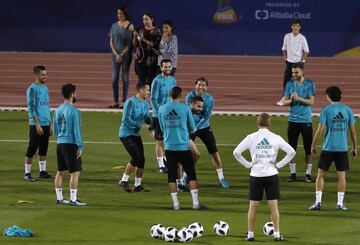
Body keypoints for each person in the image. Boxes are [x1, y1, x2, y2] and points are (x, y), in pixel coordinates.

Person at [233, 113, 295, 241]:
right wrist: (279, 165)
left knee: (253, 206)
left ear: (257, 123)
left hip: (255, 175)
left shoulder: (251, 137)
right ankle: (277, 234)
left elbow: (236, 152)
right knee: (273, 206)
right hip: (271, 175)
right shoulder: (276, 137)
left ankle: (250, 234)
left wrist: (248, 164)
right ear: (269, 123)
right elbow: (292, 152)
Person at [308, 86, 357, 211]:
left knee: (320, 174)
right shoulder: (347, 110)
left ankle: (318, 202)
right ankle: (340, 204)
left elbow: (320, 130)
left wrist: (313, 145)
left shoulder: (326, 110)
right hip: (342, 149)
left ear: (328, 96)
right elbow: (353, 131)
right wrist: (354, 147)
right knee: (341, 176)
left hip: (328, 148)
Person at [158, 87, 206, 210]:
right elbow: (193, 129)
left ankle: (176, 205)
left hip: (169, 147)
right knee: (191, 175)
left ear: (170, 95)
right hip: (183, 147)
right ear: (180, 96)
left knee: (172, 177)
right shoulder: (185, 108)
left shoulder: (162, 109)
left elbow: (162, 128)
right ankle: (195, 204)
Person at [185, 77, 229, 188]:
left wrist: (196, 127)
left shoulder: (210, 99)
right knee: (187, 153)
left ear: (206, 87)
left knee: (214, 152)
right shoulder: (189, 97)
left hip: (203, 127)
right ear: (195, 85)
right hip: (190, 127)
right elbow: (188, 113)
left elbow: (206, 117)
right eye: (199, 84)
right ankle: (186, 175)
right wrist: (192, 127)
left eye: (203, 85)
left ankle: (221, 178)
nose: (201, 87)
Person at [278, 63, 315, 183]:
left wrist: (298, 99)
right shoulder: (289, 84)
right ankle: (293, 173)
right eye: (293, 72)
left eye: (296, 72)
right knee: (291, 148)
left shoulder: (310, 84)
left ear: (302, 72)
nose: (294, 75)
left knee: (308, 149)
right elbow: (284, 101)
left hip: (305, 121)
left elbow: (311, 102)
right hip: (292, 121)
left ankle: (308, 174)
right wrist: (291, 100)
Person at [53, 84, 86, 206]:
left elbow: (55, 129)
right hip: (70, 144)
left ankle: (60, 198)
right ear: (72, 94)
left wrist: (60, 138)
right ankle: (73, 199)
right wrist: (80, 146)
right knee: (75, 172)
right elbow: (77, 130)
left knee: (60, 172)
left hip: (60, 144)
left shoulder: (57, 110)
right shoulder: (74, 111)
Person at [118, 83, 152, 193]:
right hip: (126, 134)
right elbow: (126, 119)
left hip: (135, 135)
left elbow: (147, 118)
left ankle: (138, 185)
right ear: (140, 90)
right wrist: (140, 126)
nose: (149, 92)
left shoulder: (145, 104)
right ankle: (123, 181)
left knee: (142, 159)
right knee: (136, 157)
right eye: (147, 90)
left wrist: (152, 127)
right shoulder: (130, 102)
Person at [24, 65, 53, 182]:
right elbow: (31, 108)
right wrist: (37, 124)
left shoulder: (45, 88)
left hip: (46, 123)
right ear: (37, 75)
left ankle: (43, 172)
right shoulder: (32, 89)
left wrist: (50, 123)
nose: (45, 76)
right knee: (32, 148)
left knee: (43, 149)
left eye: (46, 74)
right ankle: (27, 174)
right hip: (36, 124)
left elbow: (47, 107)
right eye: (43, 75)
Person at [150, 59, 177, 173]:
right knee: (159, 141)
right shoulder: (157, 81)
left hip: (170, 115)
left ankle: (166, 159)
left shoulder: (173, 80)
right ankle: (161, 165)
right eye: (165, 67)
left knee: (168, 139)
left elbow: (173, 97)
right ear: (161, 68)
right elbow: (153, 98)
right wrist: (159, 112)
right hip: (159, 116)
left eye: (169, 66)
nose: (167, 69)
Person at [109, 6, 134, 109]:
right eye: (118, 13)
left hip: (126, 56)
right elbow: (111, 42)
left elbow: (129, 44)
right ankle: (115, 101)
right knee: (114, 79)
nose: (119, 15)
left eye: (121, 13)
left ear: (125, 14)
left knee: (125, 77)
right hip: (115, 56)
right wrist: (116, 54)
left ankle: (124, 101)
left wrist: (122, 54)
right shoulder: (114, 26)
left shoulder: (130, 26)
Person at [133, 12, 161, 86]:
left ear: (152, 20)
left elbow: (155, 45)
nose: (144, 21)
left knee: (151, 82)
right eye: (143, 19)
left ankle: (151, 97)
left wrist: (143, 39)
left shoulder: (157, 31)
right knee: (141, 82)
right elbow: (135, 44)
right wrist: (134, 36)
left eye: (147, 19)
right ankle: (142, 97)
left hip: (151, 61)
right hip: (140, 59)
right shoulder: (140, 30)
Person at [281, 19, 309, 90]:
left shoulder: (302, 38)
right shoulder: (287, 36)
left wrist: (302, 61)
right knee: (286, 79)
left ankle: (302, 92)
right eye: (294, 26)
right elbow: (284, 48)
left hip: (298, 62)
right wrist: (285, 58)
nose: (295, 27)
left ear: (300, 27)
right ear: (291, 26)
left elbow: (306, 51)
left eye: (297, 26)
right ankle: (285, 93)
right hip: (289, 62)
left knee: (300, 79)